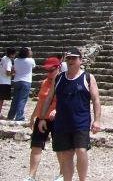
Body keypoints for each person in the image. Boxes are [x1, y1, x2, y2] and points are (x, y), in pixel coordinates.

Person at [38, 48, 101, 181]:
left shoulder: (88, 77)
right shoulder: (59, 78)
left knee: (81, 151)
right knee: (66, 154)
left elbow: (96, 99)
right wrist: (42, 118)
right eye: (69, 58)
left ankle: (83, 179)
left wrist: (97, 120)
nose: (71, 60)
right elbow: (49, 98)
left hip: (81, 121)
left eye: (74, 58)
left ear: (80, 60)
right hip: (62, 122)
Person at [25, 57, 63, 181]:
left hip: (58, 119)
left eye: (51, 70)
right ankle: (31, 176)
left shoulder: (63, 82)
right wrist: (33, 116)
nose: (49, 73)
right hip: (42, 118)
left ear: (58, 68)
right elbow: (41, 101)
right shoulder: (45, 82)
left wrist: (57, 110)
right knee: (36, 146)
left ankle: (62, 174)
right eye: (47, 70)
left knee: (60, 148)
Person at [7, 47, 35, 121]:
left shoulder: (16, 60)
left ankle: (10, 115)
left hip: (17, 81)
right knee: (22, 99)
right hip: (26, 81)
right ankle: (19, 116)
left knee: (15, 99)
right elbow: (33, 66)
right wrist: (30, 55)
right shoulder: (31, 60)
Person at [0, 47, 16, 119]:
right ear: (12, 54)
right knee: (1, 99)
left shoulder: (3, 58)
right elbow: (8, 72)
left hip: (1, 80)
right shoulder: (8, 61)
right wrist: (14, 73)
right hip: (4, 82)